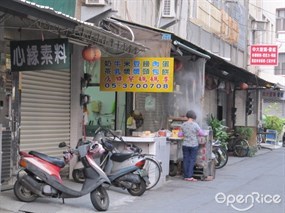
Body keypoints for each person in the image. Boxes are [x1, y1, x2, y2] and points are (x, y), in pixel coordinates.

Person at [181, 110, 206, 182]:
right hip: (193, 145)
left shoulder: (183, 125)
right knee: (192, 160)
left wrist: (186, 134)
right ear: (193, 117)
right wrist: (197, 133)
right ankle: (189, 176)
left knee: (186, 159)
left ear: (187, 116)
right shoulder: (195, 125)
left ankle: (185, 176)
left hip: (185, 144)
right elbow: (202, 133)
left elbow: (180, 134)